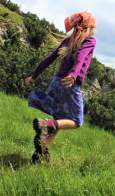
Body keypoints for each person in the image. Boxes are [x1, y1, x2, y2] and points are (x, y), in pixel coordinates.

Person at [24, 12, 97, 163]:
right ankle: (46, 124)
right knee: (77, 121)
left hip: (56, 82)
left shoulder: (68, 40)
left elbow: (48, 59)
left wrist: (34, 75)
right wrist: (73, 75)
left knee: (59, 120)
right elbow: (81, 59)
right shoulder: (90, 40)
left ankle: (40, 156)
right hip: (69, 84)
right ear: (89, 27)